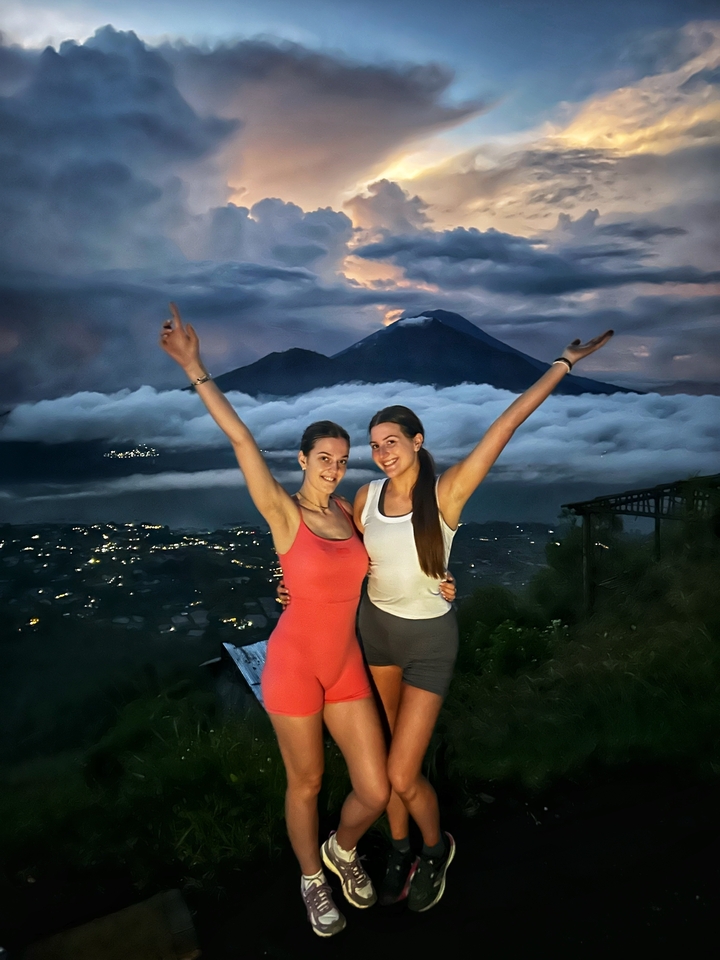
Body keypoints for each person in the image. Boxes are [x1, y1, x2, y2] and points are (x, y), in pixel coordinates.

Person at [279, 328, 614, 913]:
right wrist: (290, 582)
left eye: (393, 441)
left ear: (417, 441)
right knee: (383, 767)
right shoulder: (362, 498)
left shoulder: (447, 494)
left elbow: (503, 428)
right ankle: (400, 847)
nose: (383, 452)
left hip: (431, 642)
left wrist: (563, 364)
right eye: (375, 444)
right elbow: (337, 557)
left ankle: (435, 850)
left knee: (404, 776)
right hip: (376, 636)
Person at [159, 302, 392, 939]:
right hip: (293, 666)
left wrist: (438, 580)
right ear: (302, 459)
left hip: (344, 663)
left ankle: (342, 852)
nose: (335, 466)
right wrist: (195, 366)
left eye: (343, 459)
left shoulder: (348, 514)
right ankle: (312, 876)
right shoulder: (284, 515)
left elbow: (390, 553)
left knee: (372, 791)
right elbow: (240, 440)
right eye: (324, 458)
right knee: (308, 782)